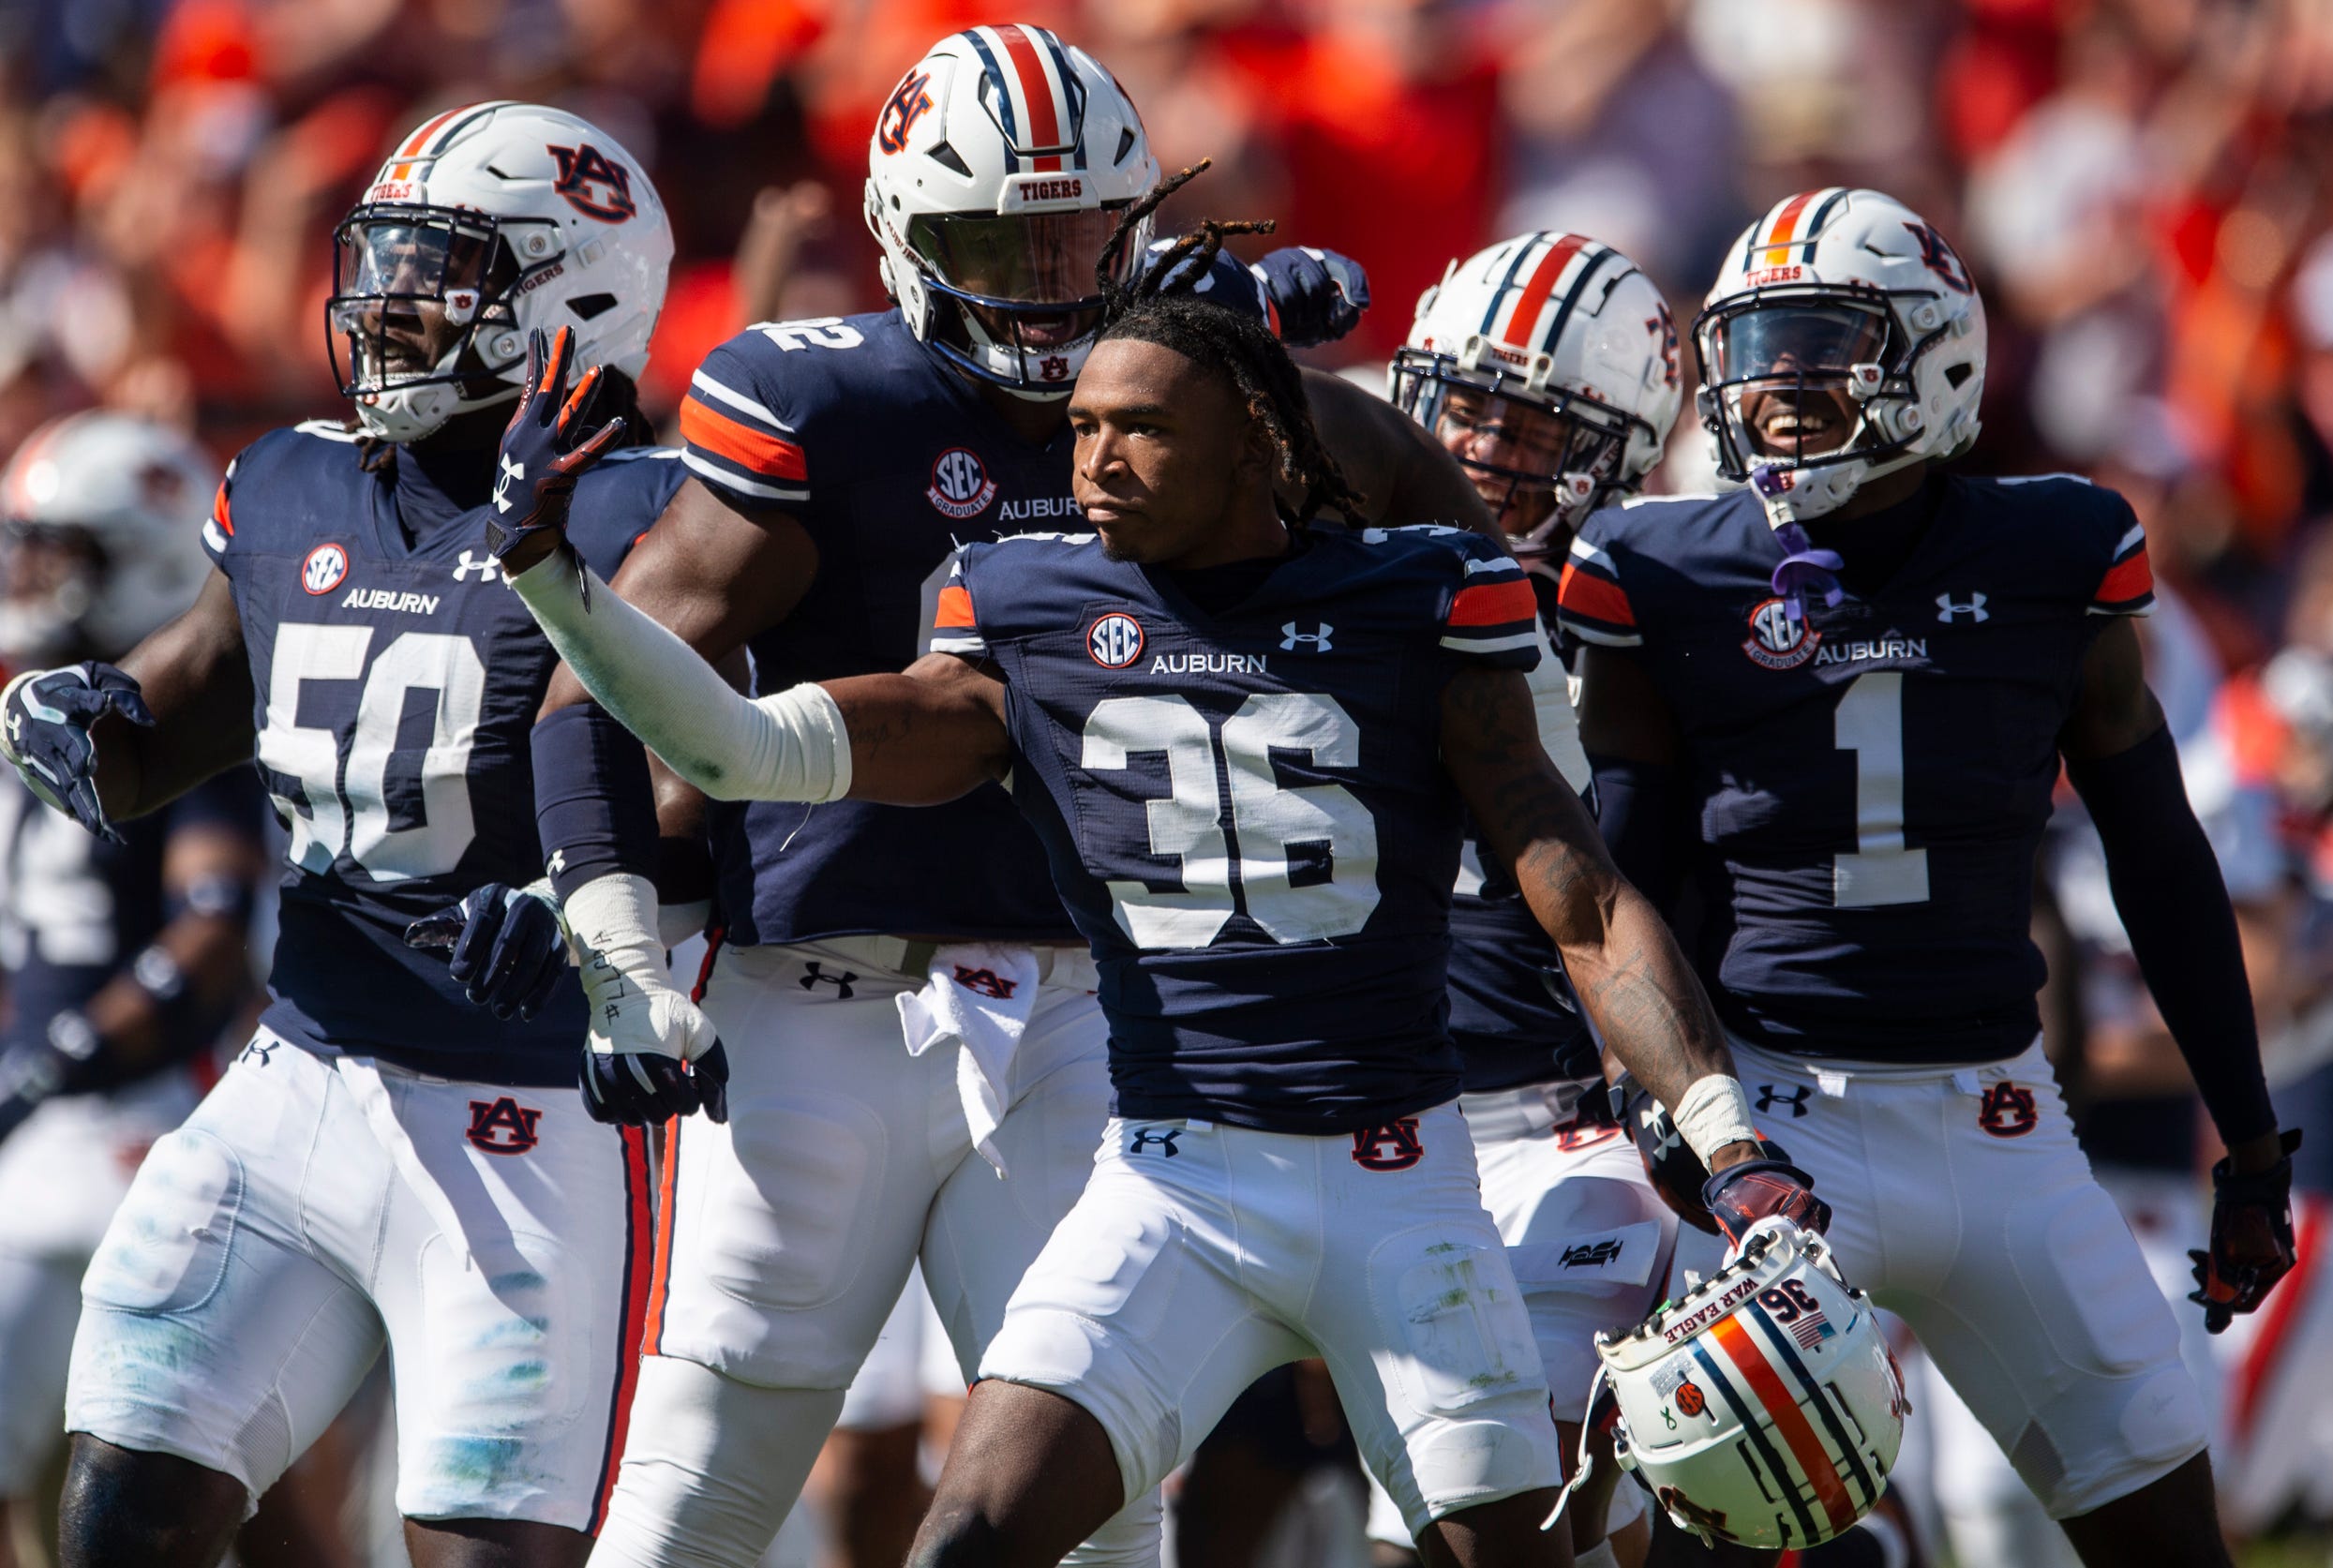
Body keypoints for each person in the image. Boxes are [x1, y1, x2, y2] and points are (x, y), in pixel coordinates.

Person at [488, 183, 1829, 1568]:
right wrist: (548, 576)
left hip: (1398, 1178)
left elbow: (1585, 898)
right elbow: (741, 742)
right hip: (1172, 1175)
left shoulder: (1423, 595)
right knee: (973, 1539)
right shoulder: (1027, 606)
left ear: (1256, 439)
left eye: (1140, 430)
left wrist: (1725, 1132)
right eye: (1081, 428)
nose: (1093, 466)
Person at [501, 30, 1498, 1568]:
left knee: (1091, 1509)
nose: (1041, 285)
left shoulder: (1202, 395)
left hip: (1092, 1002)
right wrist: (620, 950)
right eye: (995, 244)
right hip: (827, 991)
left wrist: (1272, 386)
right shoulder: (825, 400)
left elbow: (1451, 536)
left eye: (1076, 239)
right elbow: (605, 685)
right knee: (704, 1472)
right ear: (906, 232)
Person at [1558, 187, 2299, 1568]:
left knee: (2174, 1534)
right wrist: (1657, 1108)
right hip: (1777, 1125)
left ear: (1935, 354)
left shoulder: (2056, 550)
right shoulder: (1663, 565)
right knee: (1727, 1514)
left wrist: (2251, 1144)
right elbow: (1620, 885)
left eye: (1814, 341)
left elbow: (2160, 854)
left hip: (2003, 1122)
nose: (1772, 385)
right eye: (1753, 345)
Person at [0, 104, 681, 1568]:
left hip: (531, 1117)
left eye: (438, 271)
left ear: (569, 293)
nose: (386, 303)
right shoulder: (298, 479)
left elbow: (717, 778)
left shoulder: (648, 512)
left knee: (479, 1550)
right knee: (124, 1510)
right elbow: (161, 731)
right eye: (380, 262)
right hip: (296, 1074)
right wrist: (71, 713)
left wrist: (597, 894)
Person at [1366, 231, 1687, 1568]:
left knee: (1481, 1517)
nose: (1486, 448)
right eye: (1467, 406)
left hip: (1568, 1122)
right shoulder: (1333, 578)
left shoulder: (1643, 622)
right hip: (1347, 1114)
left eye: (1533, 426)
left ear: (1614, 449)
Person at [0, 414, 269, 1566]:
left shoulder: (175, 731)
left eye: (66, 549)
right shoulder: (32, 713)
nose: (32, 575)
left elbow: (213, 939)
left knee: (183, 1499)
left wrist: (54, 1058)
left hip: (140, 1126)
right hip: (47, 1136)